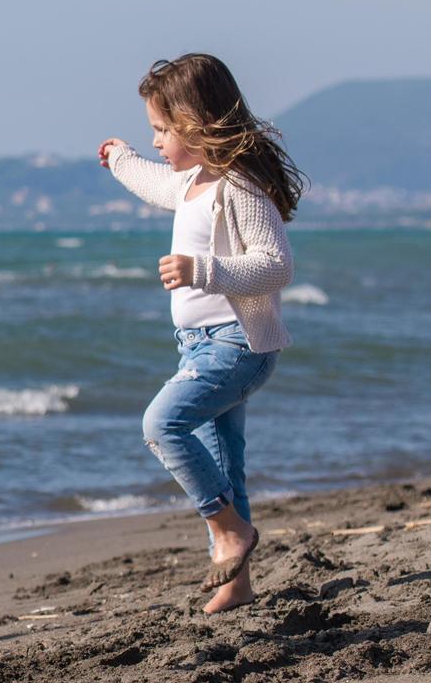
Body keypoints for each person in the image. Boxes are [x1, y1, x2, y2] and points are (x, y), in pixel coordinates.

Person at [97, 52, 303, 614]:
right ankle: (237, 581)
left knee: (162, 423)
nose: (158, 141)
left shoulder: (239, 185)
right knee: (226, 463)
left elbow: (276, 264)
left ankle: (229, 531)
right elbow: (154, 182)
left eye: (163, 129)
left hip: (237, 342)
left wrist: (201, 270)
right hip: (199, 343)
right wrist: (120, 157)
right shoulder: (192, 180)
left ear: (196, 122)